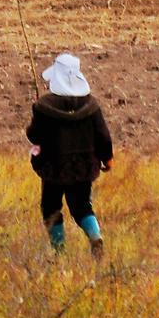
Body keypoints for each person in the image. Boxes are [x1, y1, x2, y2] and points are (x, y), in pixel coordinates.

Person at [26, 52, 112, 256]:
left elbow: (34, 135)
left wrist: (37, 114)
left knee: (51, 207)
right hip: (83, 168)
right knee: (82, 207)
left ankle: (59, 251)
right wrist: (107, 159)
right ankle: (95, 236)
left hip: (52, 168)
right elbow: (103, 136)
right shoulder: (91, 106)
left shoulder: (43, 107)